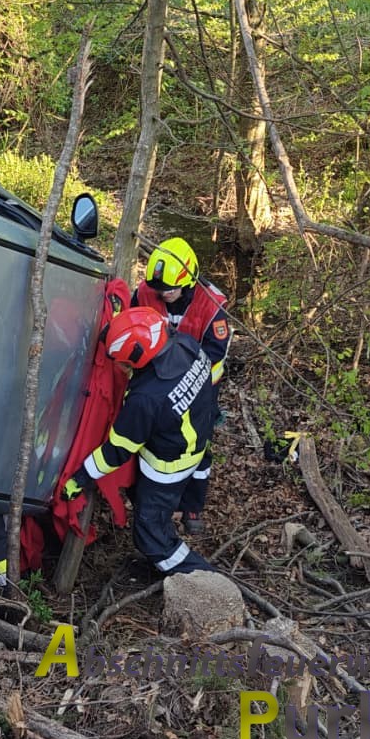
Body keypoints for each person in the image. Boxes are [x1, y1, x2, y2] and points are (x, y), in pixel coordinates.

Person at [63, 307, 218, 575]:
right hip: (194, 440)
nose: (119, 367)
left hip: (166, 468)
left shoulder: (147, 398)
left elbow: (117, 450)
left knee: (150, 535)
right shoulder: (186, 345)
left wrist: (81, 477)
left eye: (122, 362)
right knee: (151, 510)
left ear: (136, 357)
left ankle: (199, 578)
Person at [132, 238, 230, 536]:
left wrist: (180, 372)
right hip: (153, 385)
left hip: (200, 388)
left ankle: (192, 506)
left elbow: (215, 352)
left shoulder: (212, 304)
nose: (164, 295)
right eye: (160, 289)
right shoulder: (145, 293)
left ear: (188, 281)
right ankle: (148, 497)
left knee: (198, 447)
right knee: (151, 440)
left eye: (170, 290)